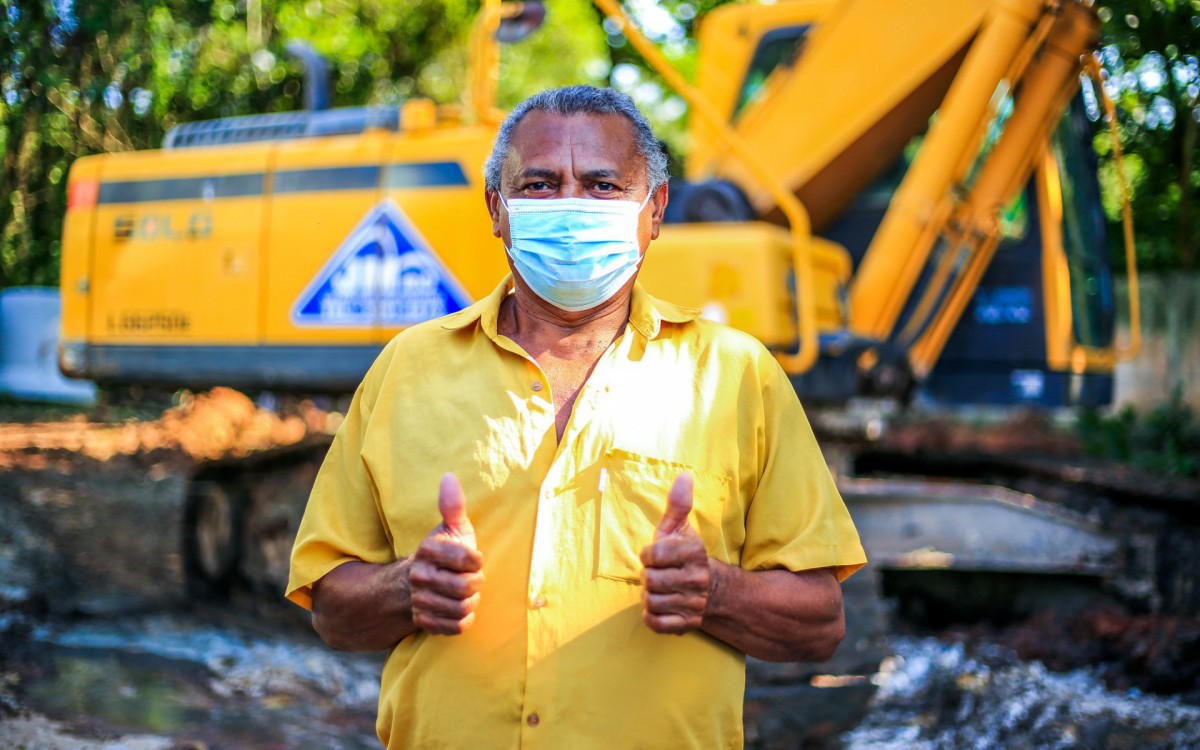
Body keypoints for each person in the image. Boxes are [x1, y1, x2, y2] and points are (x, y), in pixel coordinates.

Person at [286, 84, 866, 749]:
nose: (570, 207)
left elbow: (821, 622)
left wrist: (716, 592)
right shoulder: (406, 370)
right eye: (539, 185)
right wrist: (405, 587)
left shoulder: (737, 377)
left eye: (601, 186)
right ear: (496, 210)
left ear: (655, 210)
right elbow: (331, 610)